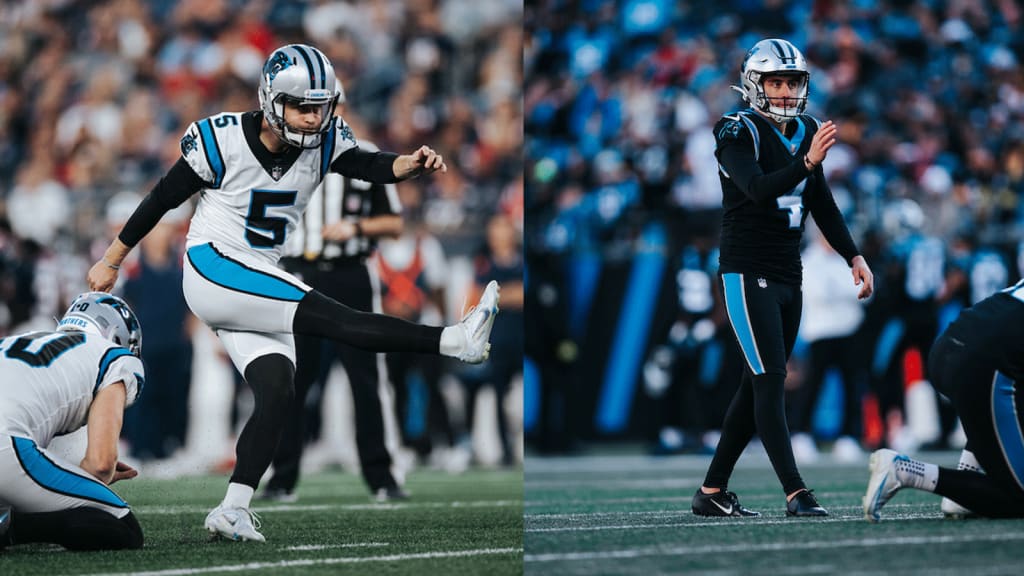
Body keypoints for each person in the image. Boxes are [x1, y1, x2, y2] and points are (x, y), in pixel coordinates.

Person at [87, 44, 500, 542]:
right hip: (214, 265)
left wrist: (407, 166)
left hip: (256, 274)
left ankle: (233, 508)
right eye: (302, 106)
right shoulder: (222, 140)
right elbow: (160, 199)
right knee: (336, 318)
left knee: (279, 390)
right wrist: (112, 259)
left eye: (320, 107)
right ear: (269, 100)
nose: (312, 117)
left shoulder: (326, 142)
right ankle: (453, 341)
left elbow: (368, 167)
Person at [690, 38, 873, 518]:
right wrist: (807, 162)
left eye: (793, 81)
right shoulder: (735, 130)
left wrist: (853, 254)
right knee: (771, 381)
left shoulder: (807, 128)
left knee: (755, 386)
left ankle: (711, 493)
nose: (787, 90)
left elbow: (821, 201)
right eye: (776, 81)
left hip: (790, 272)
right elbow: (756, 188)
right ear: (755, 84)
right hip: (747, 271)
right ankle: (797, 492)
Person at [260, 79, 407, 504]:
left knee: (366, 379)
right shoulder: (280, 153)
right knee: (291, 379)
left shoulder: (363, 154)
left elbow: (394, 224)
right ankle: (281, 477)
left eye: (319, 106)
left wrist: (357, 227)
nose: (313, 114)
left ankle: (382, 476)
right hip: (296, 274)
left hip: (349, 274)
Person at [865, 278, 1024, 520]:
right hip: (983, 364)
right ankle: (904, 471)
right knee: (1019, 496)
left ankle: (962, 486)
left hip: (951, 344)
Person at [0, 292, 145, 551]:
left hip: (10, 443)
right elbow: (101, 464)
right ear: (116, 335)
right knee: (122, 529)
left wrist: (74, 476)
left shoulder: (20, 339)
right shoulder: (115, 356)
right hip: (5, 443)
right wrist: (92, 479)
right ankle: (6, 528)